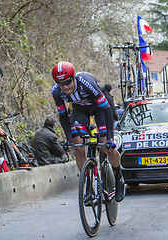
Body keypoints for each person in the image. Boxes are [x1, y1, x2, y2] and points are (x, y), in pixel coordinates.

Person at [51, 61, 125, 202]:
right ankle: (88, 184)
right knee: (78, 147)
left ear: (73, 78)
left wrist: (109, 137)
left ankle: (118, 176)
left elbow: (106, 109)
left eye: (68, 82)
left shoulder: (86, 83)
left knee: (105, 145)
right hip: (80, 110)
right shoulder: (56, 92)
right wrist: (68, 139)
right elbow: (63, 116)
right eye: (61, 84)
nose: (65, 87)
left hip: (100, 109)